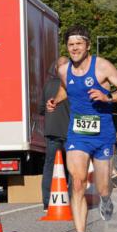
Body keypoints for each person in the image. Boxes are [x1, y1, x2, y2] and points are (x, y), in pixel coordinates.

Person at [46, 26, 117, 232]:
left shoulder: (102, 66)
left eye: (79, 44)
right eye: (71, 44)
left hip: (103, 134)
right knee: (78, 182)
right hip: (78, 135)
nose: (74, 48)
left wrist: (108, 97)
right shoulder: (64, 70)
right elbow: (66, 89)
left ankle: (106, 200)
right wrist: (55, 100)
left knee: (103, 186)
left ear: (87, 45)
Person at [41, 56, 71, 212]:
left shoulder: (48, 86)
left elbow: (41, 109)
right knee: (73, 167)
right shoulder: (72, 84)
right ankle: (72, 200)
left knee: (49, 166)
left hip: (52, 131)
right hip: (70, 130)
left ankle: (47, 202)